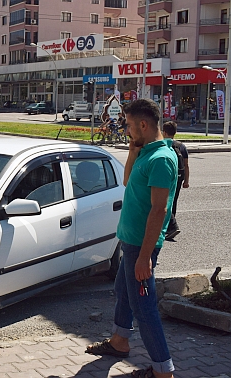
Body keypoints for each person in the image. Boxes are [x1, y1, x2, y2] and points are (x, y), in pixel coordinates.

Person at [85, 99, 176, 378]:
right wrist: (132, 152)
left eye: (129, 126)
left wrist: (146, 257)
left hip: (141, 246)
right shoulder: (146, 153)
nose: (126, 130)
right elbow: (127, 181)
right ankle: (119, 342)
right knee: (123, 292)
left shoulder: (161, 159)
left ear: (144, 125)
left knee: (144, 308)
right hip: (132, 241)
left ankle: (163, 371)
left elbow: (159, 211)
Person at [162, 121, 189, 241]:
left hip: (167, 176)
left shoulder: (163, 144)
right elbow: (186, 165)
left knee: (163, 200)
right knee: (173, 200)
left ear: (164, 132)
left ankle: (171, 226)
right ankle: (170, 226)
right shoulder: (181, 146)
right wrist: (186, 181)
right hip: (179, 176)